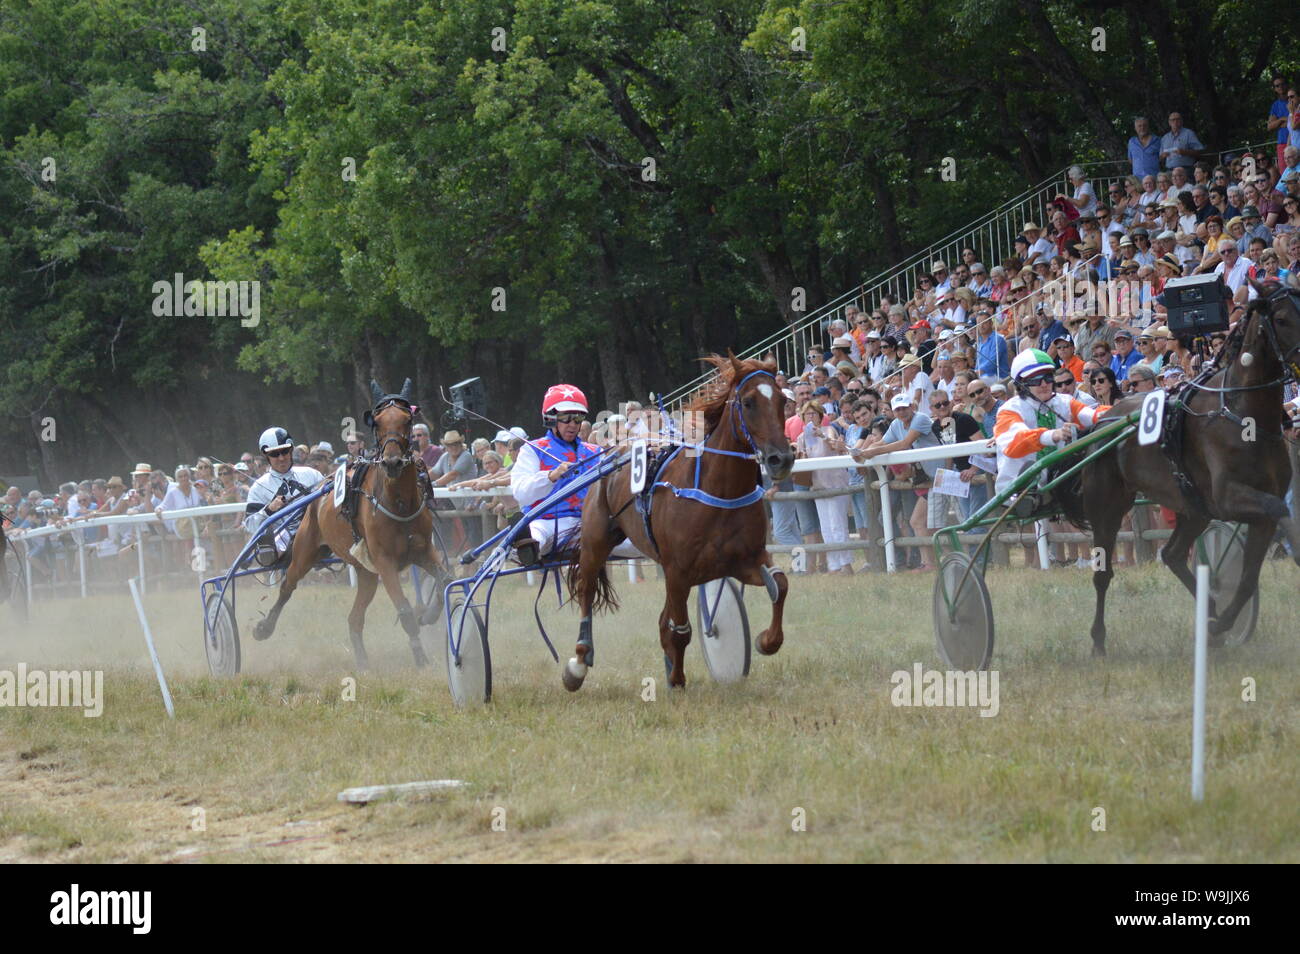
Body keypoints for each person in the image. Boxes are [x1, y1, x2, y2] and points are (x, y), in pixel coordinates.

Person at [509, 384, 640, 563]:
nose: (572, 424)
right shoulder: (532, 450)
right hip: (547, 522)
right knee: (537, 533)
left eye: (578, 419)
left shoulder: (596, 452)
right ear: (551, 418)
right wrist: (551, 476)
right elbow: (520, 492)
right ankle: (525, 547)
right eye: (566, 418)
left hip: (590, 524)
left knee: (640, 539)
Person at [993, 350, 1109, 496]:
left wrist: (1116, 411)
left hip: (1060, 483)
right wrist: (1053, 435)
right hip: (1018, 491)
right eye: (1035, 379)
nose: (1044, 384)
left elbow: (1092, 415)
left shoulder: (1065, 401)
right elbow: (1016, 441)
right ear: (1021, 384)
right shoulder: (1009, 410)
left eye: (1048, 378)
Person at [244, 426, 327, 566]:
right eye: (275, 454)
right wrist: (269, 509)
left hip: (319, 533)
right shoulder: (258, 487)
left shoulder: (312, 475)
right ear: (266, 456)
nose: (281, 458)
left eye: (285, 451)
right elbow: (250, 525)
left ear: (291, 450)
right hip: (285, 546)